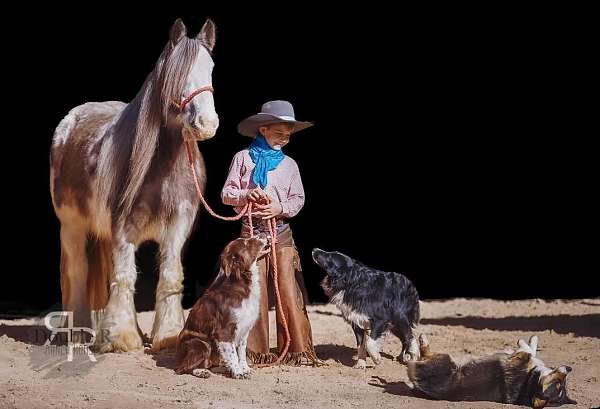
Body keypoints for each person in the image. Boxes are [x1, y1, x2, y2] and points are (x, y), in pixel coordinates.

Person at [221, 100, 322, 365]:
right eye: (279, 133)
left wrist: (280, 207)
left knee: (289, 289)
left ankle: (298, 350)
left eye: (288, 134)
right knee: (254, 292)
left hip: (281, 232)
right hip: (251, 235)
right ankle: (255, 352)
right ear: (263, 129)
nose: (285, 138)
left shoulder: (290, 165)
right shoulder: (242, 159)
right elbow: (226, 194)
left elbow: (298, 199)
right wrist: (245, 194)